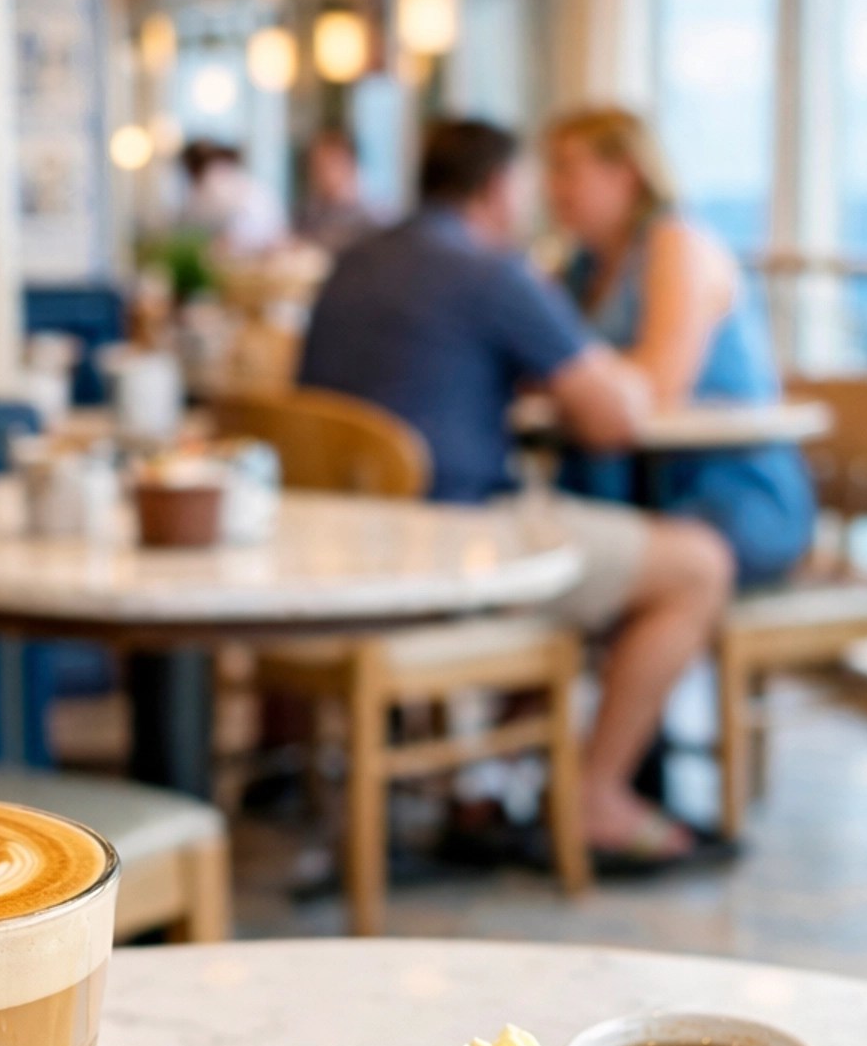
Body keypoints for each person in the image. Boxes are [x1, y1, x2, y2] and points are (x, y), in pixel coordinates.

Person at [301, 118, 734, 867]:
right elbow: (611, 419)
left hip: (341, 550)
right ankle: (596, 797)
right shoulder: (488, 270)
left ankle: (487, 782)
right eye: (538, 181)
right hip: (451, 550)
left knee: (590, 553)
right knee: (698, 566)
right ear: (498, 189)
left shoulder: (351, 261)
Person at [545, 106, 815, 586]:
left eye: (568, 169)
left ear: (625, 173)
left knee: (583, 568)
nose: (554, 189)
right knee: (550, 549)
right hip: (636, 492)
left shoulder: (677, 242)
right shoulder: (578, 268)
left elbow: (658, 383)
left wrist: (573, 381)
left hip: (729, 496)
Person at [179, 139, 287, 256]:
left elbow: (197, 220)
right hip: (265, 234)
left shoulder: (212, 178)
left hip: (252, 238)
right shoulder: (222, 175)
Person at [295, 128, 380, 255]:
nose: (322, 174)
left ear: (349, 164)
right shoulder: (306, 214)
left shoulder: (372, 217)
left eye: (330, 164)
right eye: (316, 166)